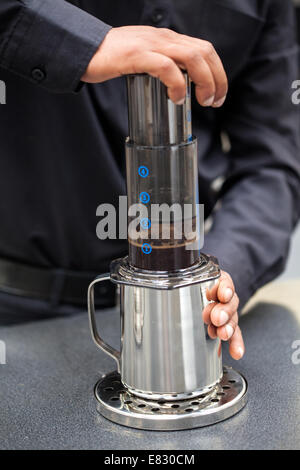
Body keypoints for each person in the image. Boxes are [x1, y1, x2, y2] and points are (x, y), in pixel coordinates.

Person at [0, 0, 299, 361]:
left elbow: (271, 166)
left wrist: (221, 275)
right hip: (17, 310)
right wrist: (83, 43)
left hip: (177, 307)